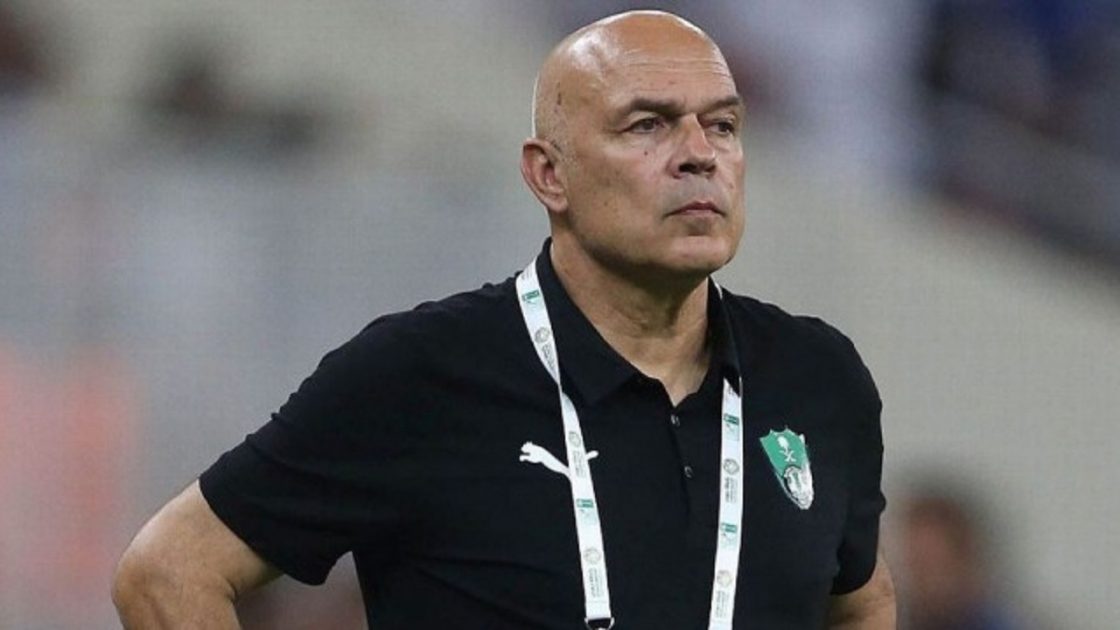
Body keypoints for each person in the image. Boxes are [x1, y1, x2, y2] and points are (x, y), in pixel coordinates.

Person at [112, 10, 895, 629]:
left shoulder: (816, 378)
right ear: (549, 175)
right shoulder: (422, 374)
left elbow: (860, 602)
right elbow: (167, 571)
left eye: (722, 125)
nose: (700, 154)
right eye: (648, 125)